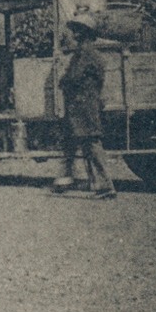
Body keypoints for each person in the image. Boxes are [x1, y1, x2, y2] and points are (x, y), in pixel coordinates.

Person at [51, 14, 116, 200]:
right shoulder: (86, 53)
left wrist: (64, 80)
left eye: (77, 29)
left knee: (92, 146)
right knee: (87, 146)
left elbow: (72, 78)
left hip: (84, 107)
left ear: (84, 33)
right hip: (82, 107)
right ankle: (96, 185)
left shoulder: (85, 54)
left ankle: (105, 186)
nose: (73, 33)